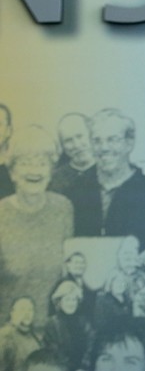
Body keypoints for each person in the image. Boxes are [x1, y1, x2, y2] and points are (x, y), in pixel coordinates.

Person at [65, 108, 145, 250]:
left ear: (129, 144)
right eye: (97, 140)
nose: (104, 148)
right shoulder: (75, 192)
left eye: (113, 140)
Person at [0, 128, 73, 329]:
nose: (34, 170)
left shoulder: (64, 209)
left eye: (42, 163)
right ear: (12, 172)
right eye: (25, 163)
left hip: (54, 337)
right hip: (9, 339)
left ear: (51, 172)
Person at [49, 113, 96, 195]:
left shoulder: (109, 170)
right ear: (62, 145)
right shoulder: (55, 180)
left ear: (91, 135)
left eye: (79, 136)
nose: (76, 145)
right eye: (68, 140)